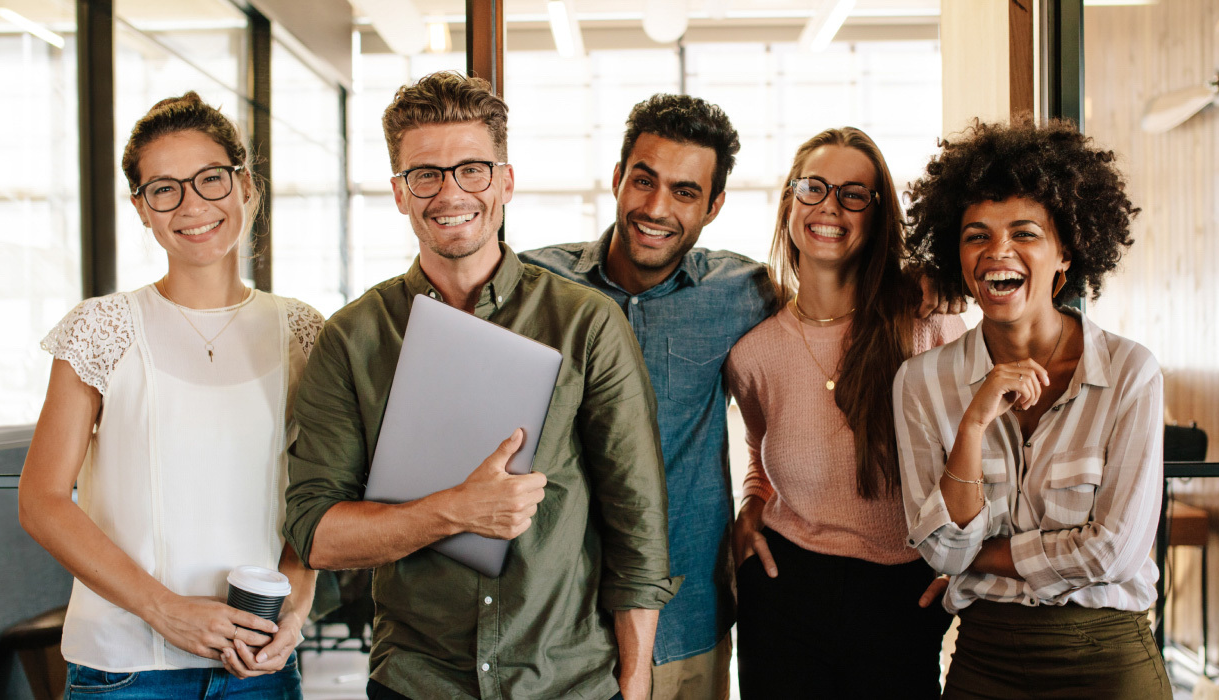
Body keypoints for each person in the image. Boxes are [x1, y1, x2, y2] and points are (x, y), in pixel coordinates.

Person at [282, 71, 677, 700]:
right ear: (399, 191)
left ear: (505, 181)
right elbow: (315, 532)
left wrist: (635, 685)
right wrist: (453, 511)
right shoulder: (353, 339)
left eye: (472, 169)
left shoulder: (585, 324)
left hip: (567, 681)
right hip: (417, 682)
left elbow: (638, 528)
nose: (449, 193)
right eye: (426, 175)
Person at [18, 92, 320, 698]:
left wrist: (295, 602)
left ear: (247, 187)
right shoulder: (102, 326)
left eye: (211, 179)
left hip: (257, 666)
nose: (193, 205)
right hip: (126, 669)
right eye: (165, 189)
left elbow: (320, 491)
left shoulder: (301, 331)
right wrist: (162, 609)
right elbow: (42, 500)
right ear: (142, 208)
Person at [895, 119, 1170, 699]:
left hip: (1108, 657)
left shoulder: (1129, 372)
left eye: (1025, 232)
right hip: (984, 660)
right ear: (957, 254)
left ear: (1066, 249)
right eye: (976, 235)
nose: (999, 252)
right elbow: (940, 553)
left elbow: (1115, 552)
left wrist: (981, 556)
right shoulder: (921, 382)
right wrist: (972, 423)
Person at [519, 94, 771, 700]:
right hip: (554, 633)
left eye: (685, 192)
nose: (656, 208)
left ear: (713, 207)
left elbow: (827, 338)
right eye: (643, 180)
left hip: (686, 628)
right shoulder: (533, 287)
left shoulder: (746, 293)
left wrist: (760, 492)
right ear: (617, 178)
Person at [724, 127, 964, 698]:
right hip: (784, 589)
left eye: (854, 194)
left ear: (877, 216)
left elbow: (977, 457)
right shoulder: (753, 352)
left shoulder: (926, 326)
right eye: (814, 188)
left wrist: (967, 560)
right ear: (789, 204)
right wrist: (751, 505)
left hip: (902, 592)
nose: (830, 206)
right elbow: (761, 454)